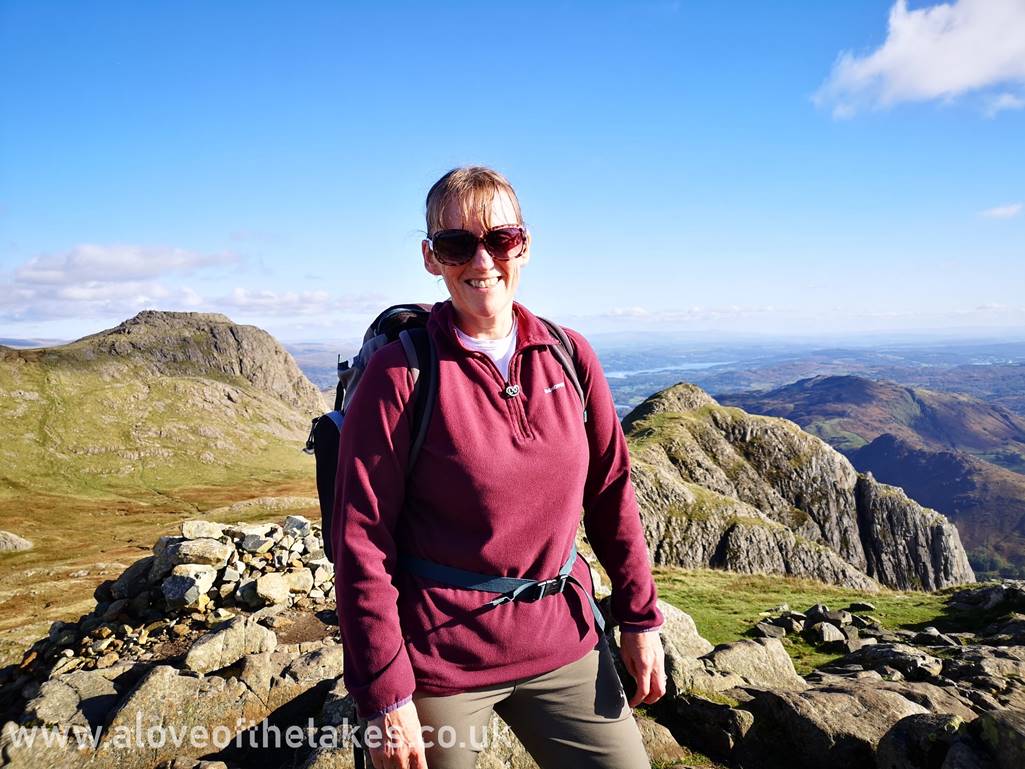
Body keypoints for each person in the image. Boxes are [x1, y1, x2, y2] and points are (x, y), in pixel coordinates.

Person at [333, 166, 666, 769]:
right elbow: (361, 542)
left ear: (525, 245)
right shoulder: (400, 374)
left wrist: (640, 618)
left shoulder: (568, 354)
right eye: (457, 244)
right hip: (442, 660)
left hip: (564, 642)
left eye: (500, 240)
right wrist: (386, 697)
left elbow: (612, 490)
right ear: (432, 258)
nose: (481, 260)